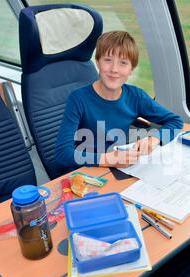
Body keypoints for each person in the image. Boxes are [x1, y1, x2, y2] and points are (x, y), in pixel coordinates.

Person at [52, 31, 183, 176]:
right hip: (87, 170)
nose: (114, 69)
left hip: (117, 167)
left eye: (123, 63)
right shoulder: (78, 99)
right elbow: (62, 155)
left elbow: (175, 121)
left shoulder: (135, 96)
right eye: (107, 60)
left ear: (131, 69)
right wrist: (110, 159)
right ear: (97, 62)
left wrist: (155, 139)